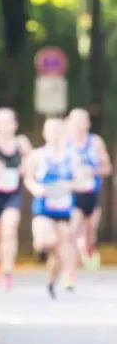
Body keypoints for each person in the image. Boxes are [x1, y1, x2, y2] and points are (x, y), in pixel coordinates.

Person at [24, 118, 77, 298]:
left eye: (57, 131)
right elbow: (28, 179)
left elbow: (79, 180)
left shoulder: (71, 157)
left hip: (63, 207)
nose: (54, 135)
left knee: (61, 248)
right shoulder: (37, 156)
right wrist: (36, 189)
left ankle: (53, 281)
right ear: (44, 133)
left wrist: (68, 186)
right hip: (43, 207)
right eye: (50, 131)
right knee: (44, 241)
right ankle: (44, 252)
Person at [0, 109, 31, 290]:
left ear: (15, 124)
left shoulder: (21, 143)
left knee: (10, 230)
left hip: (12, 194)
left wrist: (26, 167)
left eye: (8, 122)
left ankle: (7, 271)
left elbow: (32, 161)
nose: (4, 126)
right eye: (0, 122)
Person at [67, 108, 112, 269]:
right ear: (69, 123)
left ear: (88, 124)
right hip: (72, 193)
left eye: (82, 121)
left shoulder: (95, 142)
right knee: (74, 227)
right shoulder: (65, 142)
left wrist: (92, 171)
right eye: (75, 121)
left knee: (91, 232)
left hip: (92, 192)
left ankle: (88, 249)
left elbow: (108, 168)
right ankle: (72, 265)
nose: (79, 125)